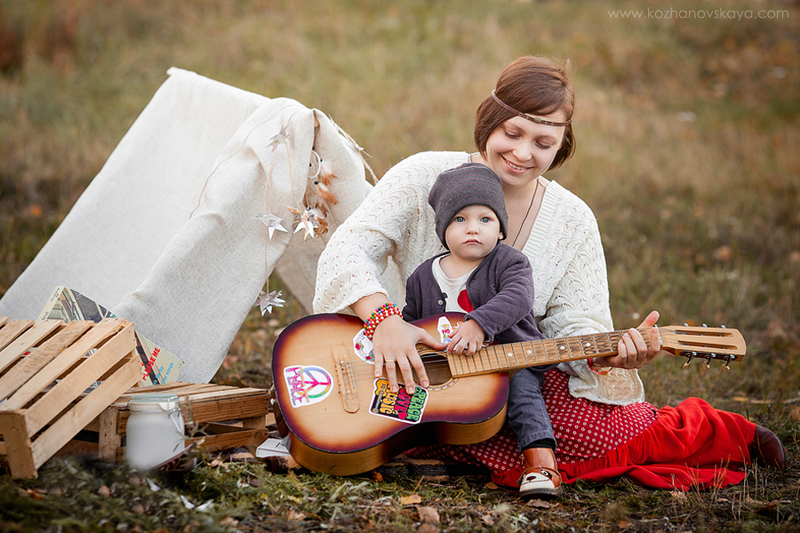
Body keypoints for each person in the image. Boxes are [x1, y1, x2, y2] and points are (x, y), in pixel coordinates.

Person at [313, 56, 785, 491]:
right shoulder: (423, 175)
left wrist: (610, 356)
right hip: (409, 358)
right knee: (376, 411)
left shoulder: (572, 219)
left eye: (543, 143)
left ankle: (717, 431)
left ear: (561, 146)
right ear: (489, 121)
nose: (522, 153)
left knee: (597, 431)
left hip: (508, 374)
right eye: (512, 133)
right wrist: (385, 321)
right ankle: (445, 438)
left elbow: (577, 322)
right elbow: (349, 249)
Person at [402, 162, 560, 498]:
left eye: (485, 219)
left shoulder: (510, 262)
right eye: (460, 219)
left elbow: (518, 297)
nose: (473, 228)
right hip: (454, 368)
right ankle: (385, 444)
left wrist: (479, 324)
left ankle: (540, 463)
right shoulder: (422, 276)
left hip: (510, 358)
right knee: (411, 390)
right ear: (443, 228)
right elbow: (413, 322)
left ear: (501, 228)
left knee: (523, 396)